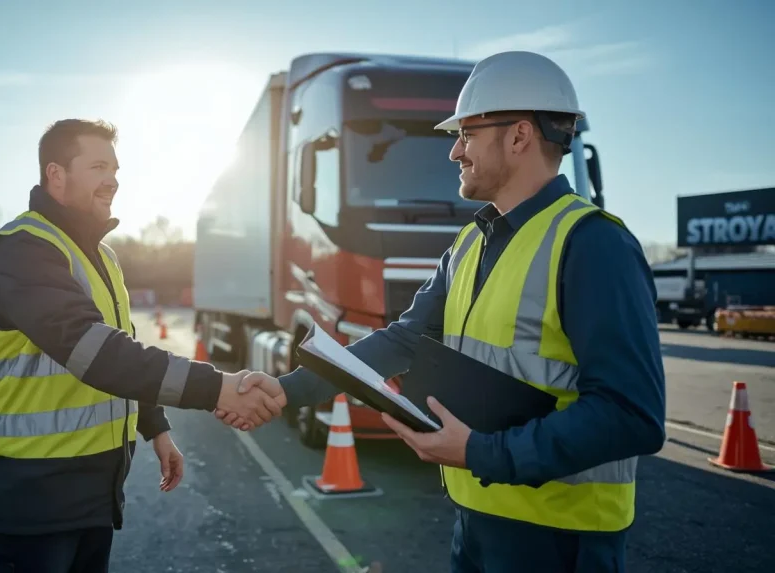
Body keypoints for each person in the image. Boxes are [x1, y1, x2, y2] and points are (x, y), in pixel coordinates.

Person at [218, 51, 666, 572]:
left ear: (519, 136)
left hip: (560, 539)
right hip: (478, 517)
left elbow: (632, 415)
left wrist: (479, 453)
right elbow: (403, 339)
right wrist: (289, 389)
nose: (454, 151)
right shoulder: (470, 243)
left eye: (467, 135)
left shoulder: (593, 245)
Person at [0, 118, 286, 573]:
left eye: (114, 168)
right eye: (97, 166)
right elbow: (94, 352)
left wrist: (155, 427)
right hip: (24, 499)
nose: (112, 179)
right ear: (56, 174)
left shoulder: (101, 255)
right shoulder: (19, 250)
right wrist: (217, 388)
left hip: (88, 493)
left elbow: (122, 347)